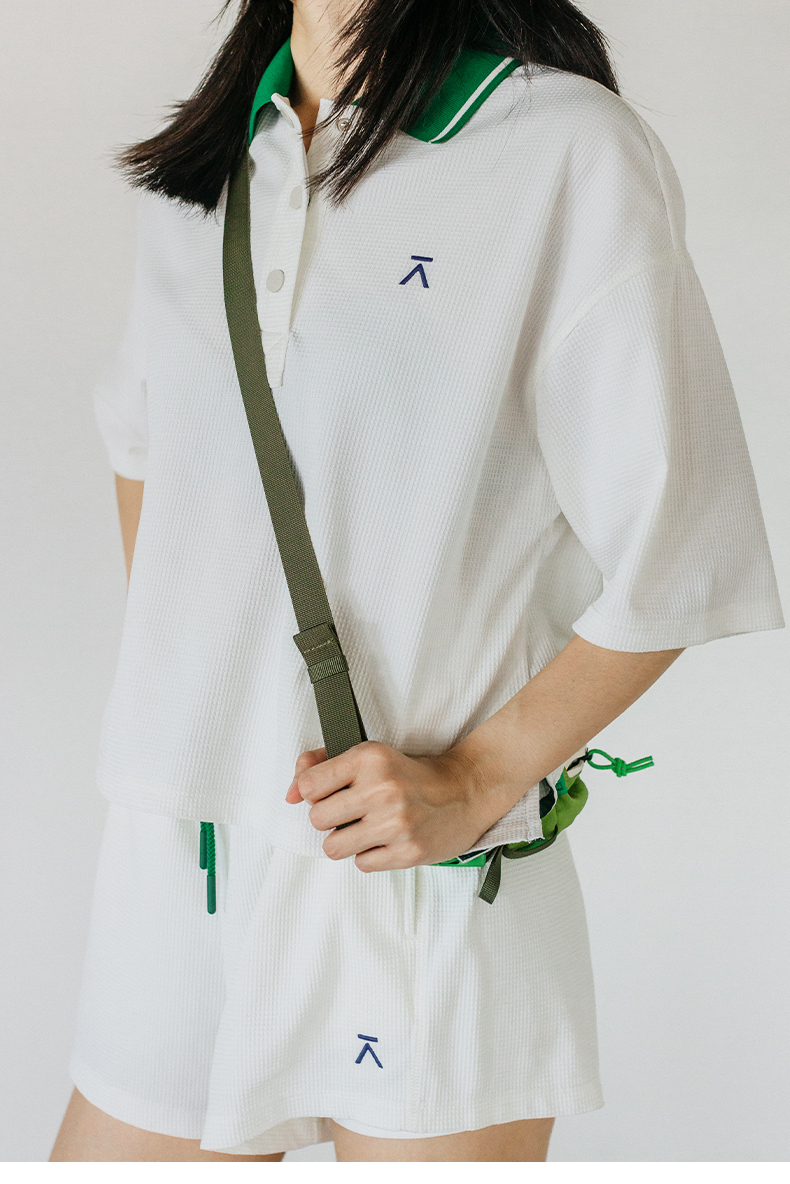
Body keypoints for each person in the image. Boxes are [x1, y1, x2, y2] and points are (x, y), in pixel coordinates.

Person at [50, 0, 783, 1163]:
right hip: (182, 861)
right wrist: (205, 703)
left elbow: (681, 544)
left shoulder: (558, 146)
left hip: (413, 866)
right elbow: (147, 449)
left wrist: (475, 778)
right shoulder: (203, 169)